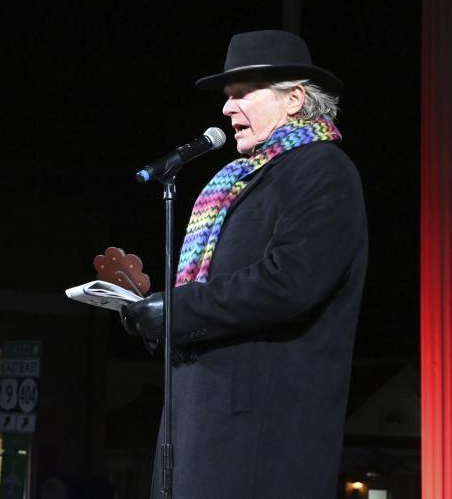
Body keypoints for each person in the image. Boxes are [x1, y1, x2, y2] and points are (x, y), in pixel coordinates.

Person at [121, 30, 367, 498]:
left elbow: (288, 281)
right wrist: (154, 311)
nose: (226, 109)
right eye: (227, 97)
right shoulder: (236, 182)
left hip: (261, 437)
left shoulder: (322, 169)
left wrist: (178, 310)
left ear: (294, 99)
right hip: (197, 426)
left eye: (241, 95)